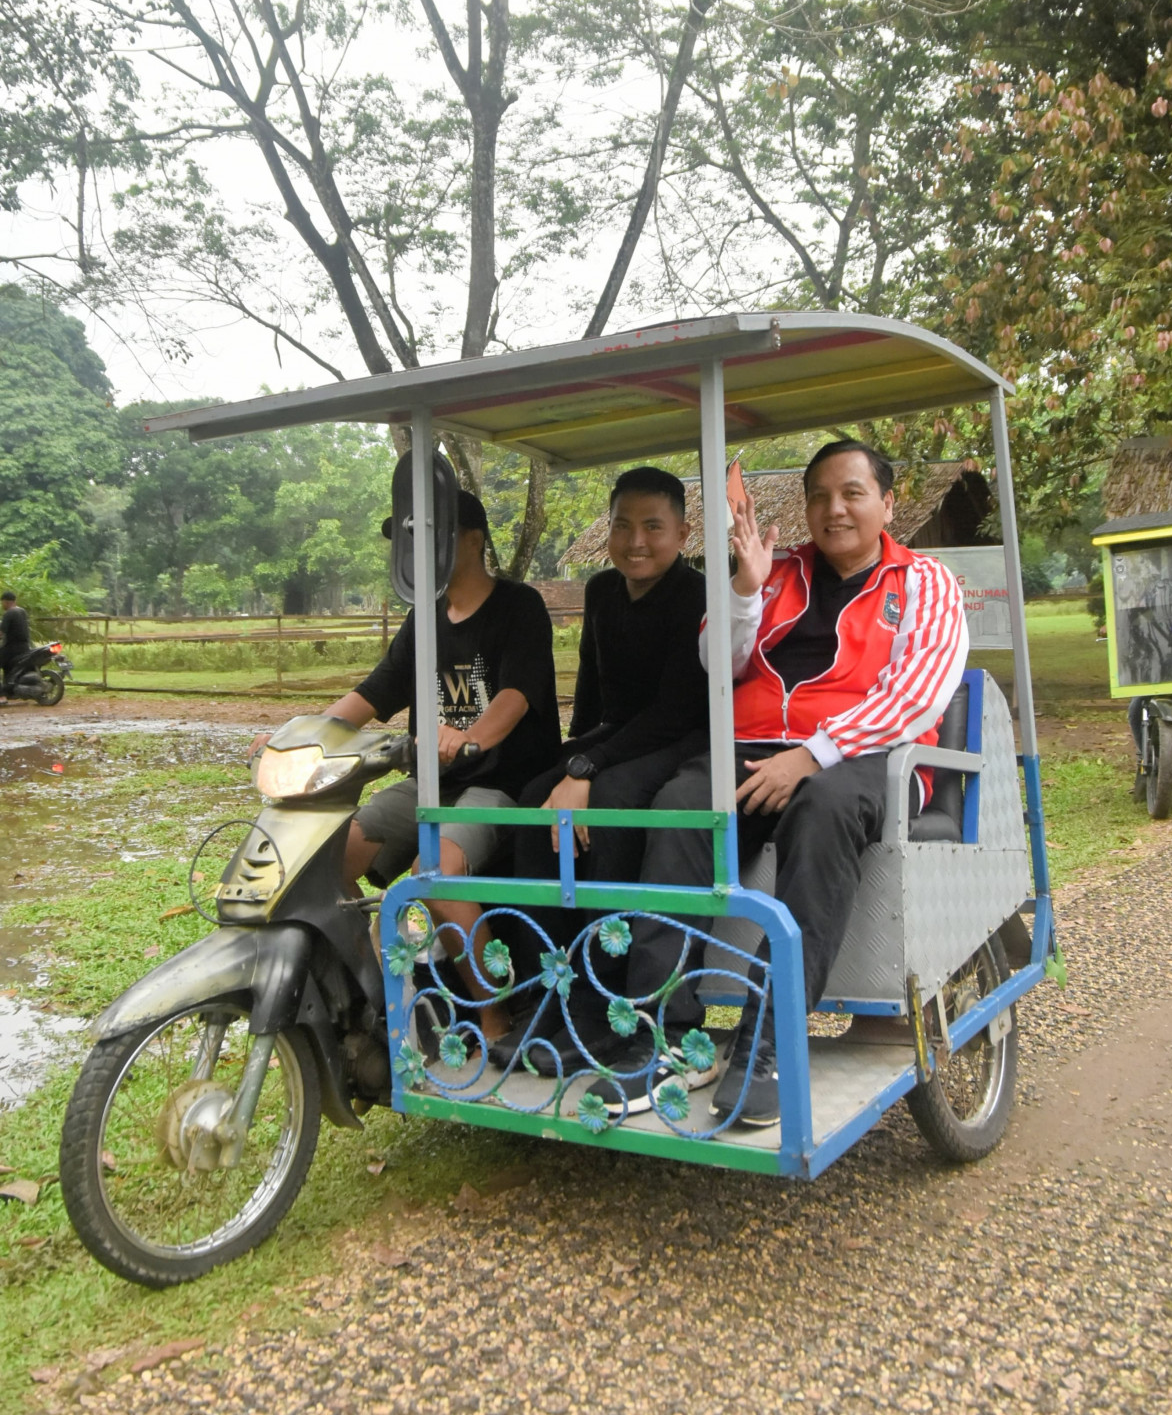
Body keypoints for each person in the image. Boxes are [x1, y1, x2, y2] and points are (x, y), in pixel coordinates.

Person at [590, 439, 968, 1129]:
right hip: (751, 751)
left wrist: (813, 755)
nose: (834, 509)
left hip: (868, 759)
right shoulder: (779, 569)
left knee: (822, 807)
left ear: (888, 502)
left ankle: (771, 1036)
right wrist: (743, 586)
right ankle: (665, 1034)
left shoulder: (924, 582)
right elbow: (718, 661)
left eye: (852, 492)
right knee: (682, 806)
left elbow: (914, 697)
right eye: (819, 495)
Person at [492, 466, 709, 1073]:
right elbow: (592, 691)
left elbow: (674, 711)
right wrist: (571, 757)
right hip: (618, 737)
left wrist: (587, 766)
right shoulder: (601, 591)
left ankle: (602, 1000)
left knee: (606, 805)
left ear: (683, 532)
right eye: (623, 526)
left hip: (681, 736)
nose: (636, 541)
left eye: (653, 527)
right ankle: (546, 990)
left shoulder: (695, 595)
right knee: (538, 800)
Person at [328, 490, 561, 1043]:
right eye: (414, 538)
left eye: (432, 535)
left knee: (432, 873)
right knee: (333, 856)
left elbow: (516, 695)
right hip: (429, 781)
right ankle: (380, 990)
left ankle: (493, 1015)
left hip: (501, 782)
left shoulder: (518, 606)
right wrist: (302, 734)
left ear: (473, 541)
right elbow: (375, 693)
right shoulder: (423, 618)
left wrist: (470, 738)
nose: (419, 548)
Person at [0, 592, 31, 700]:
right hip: (24, 646)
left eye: (2, 602)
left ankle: (1, 695)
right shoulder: (22, 611)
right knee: (7, 668)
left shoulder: (9, 613)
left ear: (6, 602)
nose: (2, 605)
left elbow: (1, 633)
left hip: (12, 647)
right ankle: (9, 692)